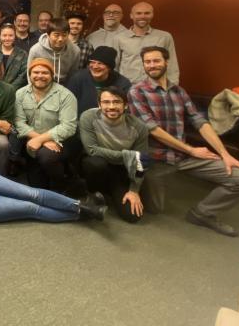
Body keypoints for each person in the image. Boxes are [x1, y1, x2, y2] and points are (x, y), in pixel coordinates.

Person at [128, 46, 239, 236]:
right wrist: (191, 150)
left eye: (156, 60)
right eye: (147, 62)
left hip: (185, 157)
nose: (152, 65)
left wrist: (225, 155)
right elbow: (153, 130)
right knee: (155, 209)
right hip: (156, 159)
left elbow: (199, 121)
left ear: (166, 62)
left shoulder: (179, 92)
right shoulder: (137, 92)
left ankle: (202, 213)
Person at [80, 87, 148, 223]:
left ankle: (109, 193)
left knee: (133, 216)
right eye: (106, 102)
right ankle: (93, 193)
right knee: (95, 163)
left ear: (125, 105)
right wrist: (127, 155)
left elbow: (141, 160)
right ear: (99, 104)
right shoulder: (88, 117)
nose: (111, 106)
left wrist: (134, 190)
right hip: (97, 165)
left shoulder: (139, 127)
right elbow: (92, 150)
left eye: (117, 102)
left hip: (121, 170)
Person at [15, 58, 78, 193]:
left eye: (45, 73)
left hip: (60, 143)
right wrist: (40, 139)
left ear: (52, 75)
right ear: (30, 74)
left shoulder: (65, 95)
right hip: (32, 144)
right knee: (37, 188)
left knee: (47, 157)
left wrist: (40, 140)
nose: (40, 76)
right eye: (36, 72)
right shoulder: (20, 94)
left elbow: (68, 126)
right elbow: (19, 123)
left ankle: (64, 184)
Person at [116, 2, 179, 84]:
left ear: (152, 15)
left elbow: (172, 64)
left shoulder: (164, 37)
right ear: (131, 15)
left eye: (147, 13)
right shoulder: (119, 38)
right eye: (138, 13)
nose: (142, 16)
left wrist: (173, 86)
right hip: (127, 88)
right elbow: (114, 66)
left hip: (156, 88)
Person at [65, 46, 132, 116]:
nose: (95, 66)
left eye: (100, 63)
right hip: (81, 123)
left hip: (112, 123)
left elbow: (127, 111)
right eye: (92, 62)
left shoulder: (123, 84)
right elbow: (67, 106)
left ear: (109, 67)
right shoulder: (78, 79)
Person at [28, 17, 80, 85]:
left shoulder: (75, 50)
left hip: (64, 86)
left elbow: (73, 74)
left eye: (64, 35)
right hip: (42, 84)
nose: (60, 39)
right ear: (48, 35)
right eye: (56, 35)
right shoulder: (35, 50)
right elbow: (30, 74)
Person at [0, 24, 28, 88]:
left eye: (10, 35)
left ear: (15, 36)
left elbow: (23, 75)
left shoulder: (22, 54)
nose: (7, 38)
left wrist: (10, 89)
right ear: (0, 36)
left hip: (15, 91)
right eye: (4, 35)